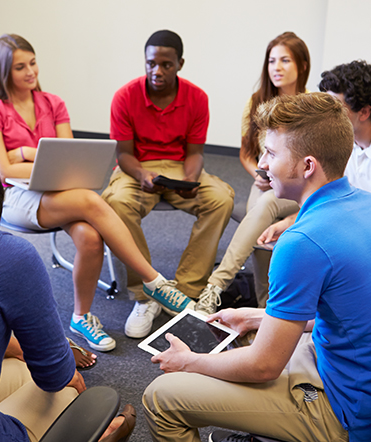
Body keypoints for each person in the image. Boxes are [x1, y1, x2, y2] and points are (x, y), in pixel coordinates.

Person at [143, 92, 371, 442]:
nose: (262, 164)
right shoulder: (362, 203)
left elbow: (263, 367)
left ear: (308, 166)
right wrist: (257, 316)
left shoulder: (301, 243)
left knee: (162, 396)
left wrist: (189, 362)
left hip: (347, 412)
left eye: (271, 153)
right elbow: (349, 312)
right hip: (346, 364)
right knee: (248, 335)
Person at [0, 93, 135, 442]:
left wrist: (12, 345)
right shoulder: (4, 259)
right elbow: (55, 375)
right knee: (67, 390)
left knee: (13, 365)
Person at [0, 34, 195, 352]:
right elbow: (3, 171)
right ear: (3, 72)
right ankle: (154, 280)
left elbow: (69, 158)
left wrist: (24, 152)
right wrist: (28, 158)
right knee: (93, 200)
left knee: (91, 238)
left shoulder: (52, 103)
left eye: (33, 63)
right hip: (15, 197)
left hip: (58, 190)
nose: (30, 71)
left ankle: (81, 318)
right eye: (20, 67)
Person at [102, 30, 235, 338]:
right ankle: (147, 293)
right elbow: (123, 153)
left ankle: (186, 289)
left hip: (178, 167)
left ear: (180, 64)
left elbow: (195, 153)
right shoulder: (125, 96)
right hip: (136, 167)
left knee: (221, 198)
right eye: (151, 63)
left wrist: (189, 180)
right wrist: (141, 175)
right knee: (116, 203)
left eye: (165, 64)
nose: (157, 71)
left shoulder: (197, 98)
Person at [195, 32, 310, 314]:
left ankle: (216, 287)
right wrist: (257, 174)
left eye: (285, 60)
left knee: (263, 207)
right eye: (272, 61)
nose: (277, 67)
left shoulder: (312, 107)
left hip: (298, 187)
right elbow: (246, 153)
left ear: (302, 66)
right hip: (265, 183)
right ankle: (265, 308)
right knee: (261, 222)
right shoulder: (257, 102)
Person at [258, 60, 371, 246]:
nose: (328, 114)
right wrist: (290, 222)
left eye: (337, 107)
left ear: (364, 112)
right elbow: (328, 201)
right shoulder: (344, 147)